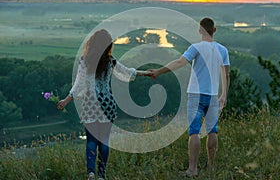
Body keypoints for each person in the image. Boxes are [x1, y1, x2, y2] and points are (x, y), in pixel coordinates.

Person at [57, 29, 149, 180]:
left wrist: (66, 100)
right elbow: (128, 72)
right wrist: (146, 73)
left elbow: (78, 85)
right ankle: (101, 175)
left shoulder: (84, 61)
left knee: (91, 140)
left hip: (90, 104)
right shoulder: (110, 61)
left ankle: (91, 173)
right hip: (107, 103)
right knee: (104, 140)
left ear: (92, 43)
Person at [148, 17, 230, 177]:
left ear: (199, 30)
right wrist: (224, 95)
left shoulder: (196, 48)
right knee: (213, 131)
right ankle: (211, 167)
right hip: (213, 96)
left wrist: (158, 71)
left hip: (195, 95)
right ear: (214, 30)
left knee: (195, 132)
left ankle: (193, 169)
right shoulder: (222, 50)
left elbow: (179, 62)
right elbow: (226, 74)